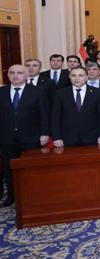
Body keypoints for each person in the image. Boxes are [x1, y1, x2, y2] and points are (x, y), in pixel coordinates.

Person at [0, 64, 50, 206]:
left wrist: (45, 133)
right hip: (7, 138)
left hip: (32, 138)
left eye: (20, 73)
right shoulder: (1, 92)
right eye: (12, 73)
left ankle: (34, 196)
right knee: (9, 170)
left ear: (26, 75)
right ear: (8, 75)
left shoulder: (38, 92)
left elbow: (44, 115)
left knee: (32, 170)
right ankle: (12, 197)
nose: (15, 75)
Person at [51, 66, 100, 147]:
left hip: (92, 137)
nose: (77, 78)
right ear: (69, 77)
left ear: (86, 77)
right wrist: (56, 137)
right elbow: (55, 117)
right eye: (73, 75)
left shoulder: (97, 93)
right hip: (67, 138)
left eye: (80, 75)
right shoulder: (60, 93)